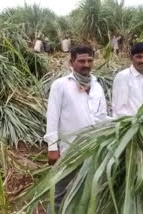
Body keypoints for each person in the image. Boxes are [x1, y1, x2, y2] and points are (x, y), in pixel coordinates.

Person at [45, 45, 108, 213]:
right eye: (81, 61)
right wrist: (52, 148)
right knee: (59, 192)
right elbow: (52, 116)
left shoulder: (97, 86)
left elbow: (102, 117)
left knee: (87, 191)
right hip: (69, 150)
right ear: (71, 62)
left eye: (89, 60)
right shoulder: (61, 85)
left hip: (93, 150)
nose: (86, 64)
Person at [112, 42, 143, 118]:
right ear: (131, 57)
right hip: (128, 126)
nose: (142, 60)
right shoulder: (123, 77)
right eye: (139, 57)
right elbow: (119, 110)